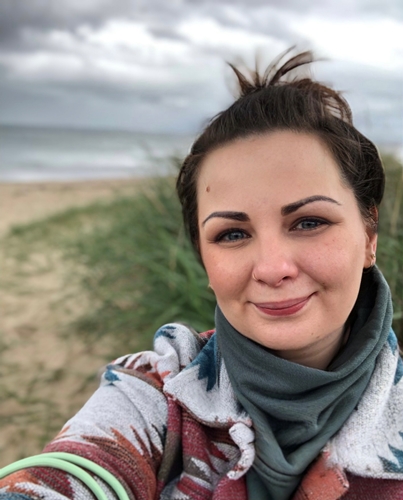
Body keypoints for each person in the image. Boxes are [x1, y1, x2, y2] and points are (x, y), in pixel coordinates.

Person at [0, 49, 402, 500]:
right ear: (204, 259)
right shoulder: (155, 392)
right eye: (233, 234)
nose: (272, 268)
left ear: (369, 236)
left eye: (309, 222)